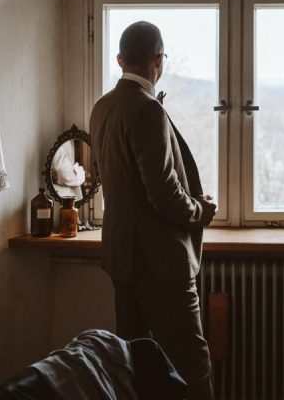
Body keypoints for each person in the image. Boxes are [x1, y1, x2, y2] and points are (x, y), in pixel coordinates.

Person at [89, 21, 217, 400]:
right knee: (192, 363)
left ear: (120, 59)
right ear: (158, 61)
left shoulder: (102, 107)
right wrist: (200, 210)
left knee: (136, 366)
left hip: (122, 259)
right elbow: (164, 193)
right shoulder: (147, 110)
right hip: (160, 263)